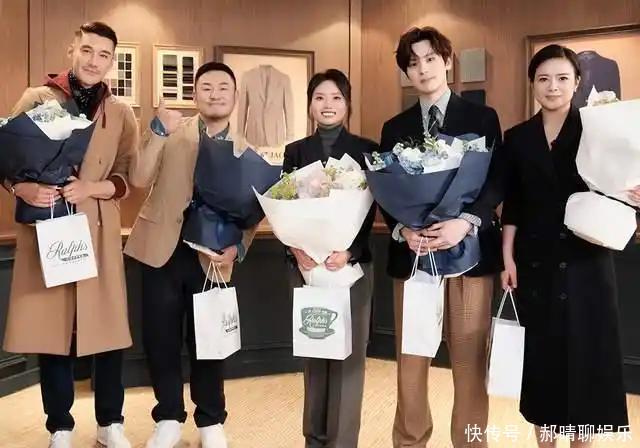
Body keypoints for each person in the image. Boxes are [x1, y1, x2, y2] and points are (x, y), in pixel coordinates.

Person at [2, 21, 137, 448]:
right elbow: (7, 159)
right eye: (87, 50)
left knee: (108, 329)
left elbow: (126, 178)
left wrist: (92, 188)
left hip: (97, 230)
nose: (94, 61)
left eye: (104, 55)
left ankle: (110, 423)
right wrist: (21, 187)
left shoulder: (121, 113)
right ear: (71, 51)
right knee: (52, 330)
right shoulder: (38, 98)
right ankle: (59, 426)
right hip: (50, 227)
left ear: (112, 62)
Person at [500, 44, 630, 448]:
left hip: (587, 261)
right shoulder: (517, 138)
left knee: (587, 371)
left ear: (576, 83)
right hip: (535, 263)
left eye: (561, 78)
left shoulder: (598, 129)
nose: (552, 86)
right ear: (532, 84)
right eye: (543, 78)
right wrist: (507, 258)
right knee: (544, 370)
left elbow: (620, 186)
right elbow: (513, 204)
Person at [379, 26, 502, 448]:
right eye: (413, 63)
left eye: (431, 58)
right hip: (414, 258)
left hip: (468, 255)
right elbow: (385, 189)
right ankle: (409, 441)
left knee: (470, 362)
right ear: (406, 72)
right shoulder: (395, 127)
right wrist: (403, 229)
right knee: (411, 361)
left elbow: (495, 181)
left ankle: (470, 442)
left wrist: (465, 222)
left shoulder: (482, 118)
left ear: (447, 61)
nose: (423, 69)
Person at [124, 62, 257, 448]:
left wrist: (238, 248)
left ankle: (210, 420)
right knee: (161, 339)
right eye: (207, 87)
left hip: (212, 258)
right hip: (161, 249)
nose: (215, 94)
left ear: (235, 96)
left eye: (223, 88)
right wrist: (156, 129)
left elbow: (253, 211)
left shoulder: (245, 151)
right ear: (195, 94)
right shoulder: (171, 131)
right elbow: (138, 177)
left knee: (209, 341)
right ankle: (168, 416)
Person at [283, 69, 377, 448]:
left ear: (348, 104)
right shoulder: (295, 152)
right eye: (320, 97)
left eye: (336, 97)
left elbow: (371, 212)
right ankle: (314, 438)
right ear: (310, 105)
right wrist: (296, 249)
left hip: (350, 268)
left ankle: (342, 441)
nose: (328, 104)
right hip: (306, 268)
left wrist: (349, 251)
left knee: (348, 359)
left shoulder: (366, 149)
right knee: (315, 353)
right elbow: (284, 203)